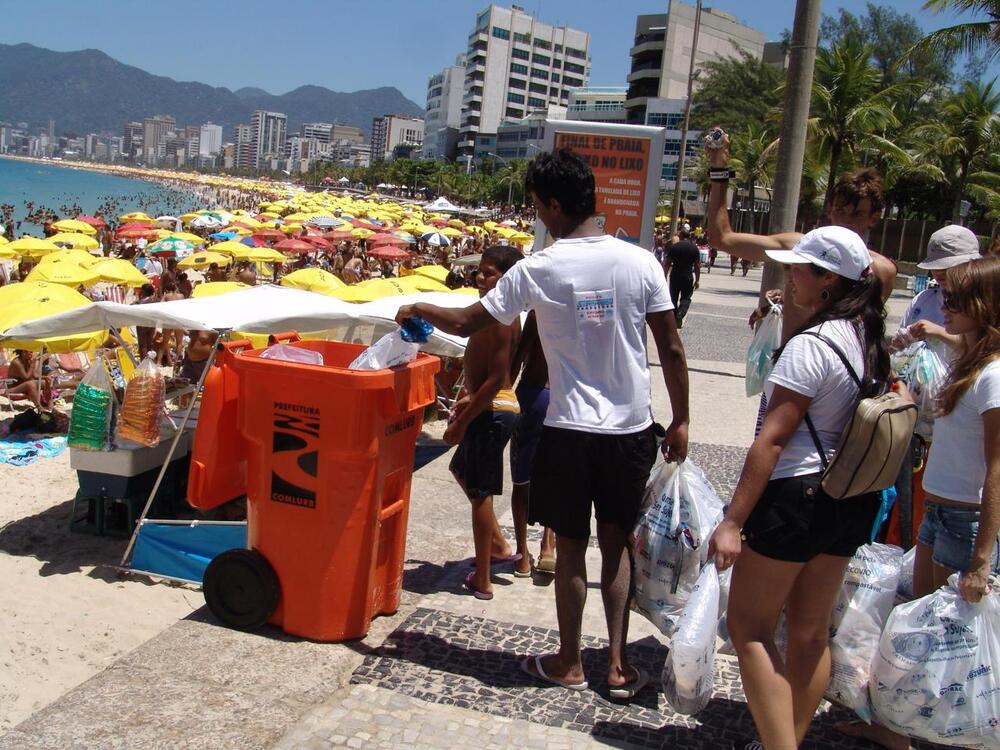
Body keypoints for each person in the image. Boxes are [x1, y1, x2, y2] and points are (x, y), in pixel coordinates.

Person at [395, 148, 689, 698]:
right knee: (618, 545)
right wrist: (682, 420)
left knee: (573, 548)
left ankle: (570, 661)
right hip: (631, 431)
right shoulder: (642, 262)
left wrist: (416, 306)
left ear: (554, 206)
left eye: (536, 207)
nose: (537, 217)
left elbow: (466, 318)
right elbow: (671, 347)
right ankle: (620, 668)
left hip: (568, 430)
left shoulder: (539, 268)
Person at [708, 226, 893, 750]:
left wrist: (732, 522)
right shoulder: (867, 336)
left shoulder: (812, 345)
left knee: (749, 629)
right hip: (847, 499)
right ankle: (786, 738)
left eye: (798, 268)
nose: (788, 275)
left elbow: (771, 442)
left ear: (828, 279)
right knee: (812, 633)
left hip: (794, 500)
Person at [836, 256, 1000, 750]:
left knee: (952, 646)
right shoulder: (970, 358)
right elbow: (955, 341)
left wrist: (982, 560)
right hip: (941, 513)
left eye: (957, 300)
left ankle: (945, 734)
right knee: (923, 630)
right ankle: (898, 729)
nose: (945, 305)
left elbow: (998, 470)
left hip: (965, 523)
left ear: (986, 306)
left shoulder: (992, 376)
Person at [705, 127, 897, 340]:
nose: (846, 222)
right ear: (829, 209)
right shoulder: (799, 248)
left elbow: (868, 333)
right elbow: (721, 239)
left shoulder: (880, 271)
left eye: (858, 215)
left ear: (874, 217)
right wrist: (719, 169)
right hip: (794, 364)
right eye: (841, 211)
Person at [885, 225, 981, 550]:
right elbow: (899, 350)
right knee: (912, 499)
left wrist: (940, 333)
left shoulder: (982, 301)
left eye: (945, 268)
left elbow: (984, 347)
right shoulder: (924, 298)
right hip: (919, 417)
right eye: (935, 269)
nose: (938, 275)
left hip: (961, 418)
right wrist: (901, 343)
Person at [444, 245, 524, 600]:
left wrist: (464, 419)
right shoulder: (493, 313)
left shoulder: (502, 315)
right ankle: (500, 546)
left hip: (493, 408)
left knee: (480, 493)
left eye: (489, 272)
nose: (480, 277)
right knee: (462, 471)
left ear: (506, 278)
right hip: (490, 405)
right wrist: (468, 397)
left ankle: (484, 578)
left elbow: (496, 377)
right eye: (479, 270)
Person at [509, 311, 557, 577]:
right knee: (554, 477)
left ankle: (521, 555)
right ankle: (548, 546)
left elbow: (518, 361)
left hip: (533, 394)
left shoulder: (539, 312)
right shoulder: (578, 306)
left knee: (522, 480)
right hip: (564, 398)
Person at [662, 227, 701, 329]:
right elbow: (697, 265)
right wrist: (697, 280)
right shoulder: (694, 248)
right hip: (688, 276)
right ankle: (681, 313)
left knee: (673, 297)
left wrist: (664, 276)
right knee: (686, 297)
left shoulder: (675, 247)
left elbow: (667, 263)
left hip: (675, 276)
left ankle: (675, 316)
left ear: (681, 236)